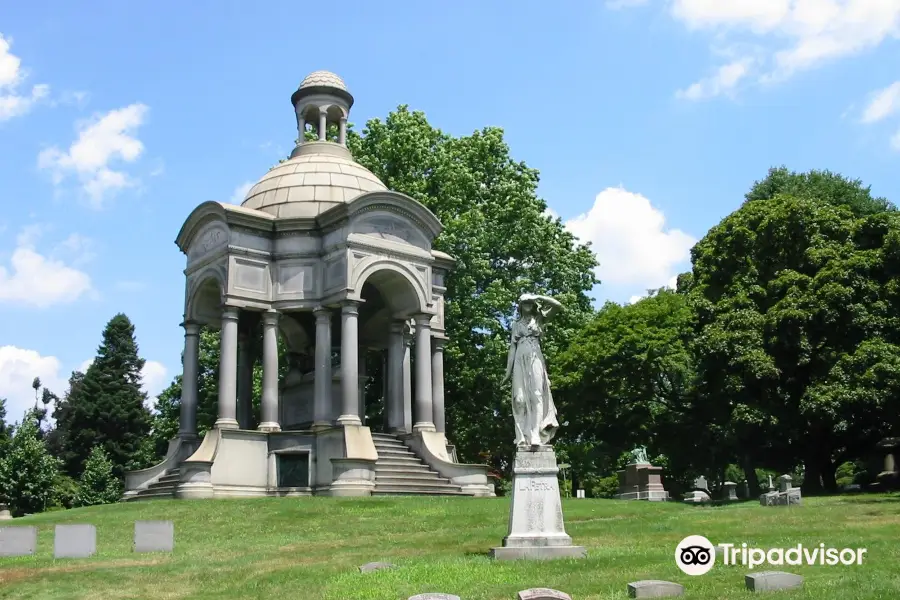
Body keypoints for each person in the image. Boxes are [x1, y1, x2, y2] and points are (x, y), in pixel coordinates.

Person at [502, 293, 563, 447]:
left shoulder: (539, 319)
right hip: (519, 359)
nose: (528, 305)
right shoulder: (516, 324)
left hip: (535, 357)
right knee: (519, 399)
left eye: (530, 302)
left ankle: (535, 434)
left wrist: (538, 296)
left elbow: (558, 306)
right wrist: (508, 372)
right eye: (525, 303)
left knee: (536, 396)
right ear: (520, 306)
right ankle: (521, 436)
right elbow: (512, 347)